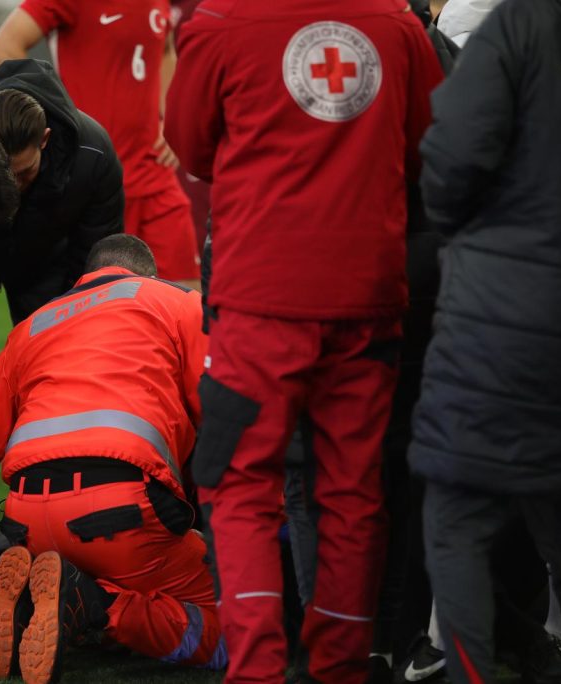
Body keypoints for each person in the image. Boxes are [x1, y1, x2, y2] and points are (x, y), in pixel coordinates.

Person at [165, 2, 443, 682]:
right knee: (354, 491)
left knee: (239, 485)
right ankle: (341, 667)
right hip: (366, 294)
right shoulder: (398, 24)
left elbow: (191, 147)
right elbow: (426, 149)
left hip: (260, 298)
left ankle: (258, 669)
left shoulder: (220, 21)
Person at [408, 0, 561, 682]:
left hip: (497, 323)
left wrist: (471, 239)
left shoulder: (519, 27)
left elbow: (449, 161)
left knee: (457, 520)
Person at [0, 234, 226, 683]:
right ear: (147, 274)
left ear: (87, 276)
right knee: (235, 626)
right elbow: (222, 412)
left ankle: (37, 602)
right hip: (124, 513)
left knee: (90, 574)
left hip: (30, 521)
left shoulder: (30, 328)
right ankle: (98, 606)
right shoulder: (177, 303)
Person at [0, 58, 124, 412]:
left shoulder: (93, 155)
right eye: (2, 175)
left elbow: (94, 268)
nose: (13, 188)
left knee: (57, 386)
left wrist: (73, 341)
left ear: (45, 140)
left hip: (48, 266)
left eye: (23, 174)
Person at [0, 0, 202, 290]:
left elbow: (165, 50)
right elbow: (3, 48)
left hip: (156, 176)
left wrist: (170, 117)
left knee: (188, 302)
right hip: (96, 182)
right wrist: (56, 113)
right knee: (104, 304)